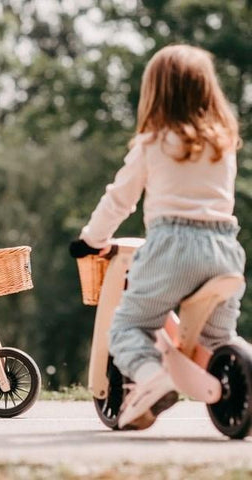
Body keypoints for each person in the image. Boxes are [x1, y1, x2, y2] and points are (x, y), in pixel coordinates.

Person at [79, 44, 245, 429]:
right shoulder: (223, 144)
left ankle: (153, 376)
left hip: (172, 248)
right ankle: (237, 378)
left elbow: (120, 197)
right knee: (217, 341)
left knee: (129, 326)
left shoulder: (153, 142)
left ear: (156, 91)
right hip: (224, 249)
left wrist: (91, 239)